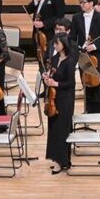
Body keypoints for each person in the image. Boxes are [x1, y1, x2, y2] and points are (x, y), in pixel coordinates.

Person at [72, 0, 100, 113]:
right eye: (80, 2)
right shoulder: (76, 17)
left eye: (84, 2)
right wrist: (78, 47)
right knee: (86, 81)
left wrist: (94, 46)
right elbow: (72, 37)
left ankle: (98, 110)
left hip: (96, 55)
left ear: (92, 3)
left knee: (97, 82)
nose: (81, 5)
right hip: (83, 55)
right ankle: (88, 109)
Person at [43, 33, 76, 174]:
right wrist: (47, 77)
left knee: (62, 130)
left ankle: (62, 161)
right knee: (54, 129)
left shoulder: (70, 61)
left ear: (64, 44)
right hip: (53, 98)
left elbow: (71, 83)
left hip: (65, 100)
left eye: (57, 43)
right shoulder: (55, 58)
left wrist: (55, 83)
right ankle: (58, 159)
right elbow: (52, 74)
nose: (55, 46)